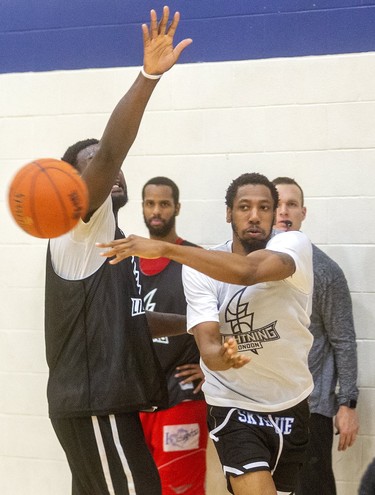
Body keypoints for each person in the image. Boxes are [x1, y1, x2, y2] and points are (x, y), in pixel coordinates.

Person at [44, 7, 192, 495]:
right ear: (76, 186)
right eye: (91, 169)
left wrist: (201, 330)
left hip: (100, 402)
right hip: (95, 403)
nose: (114, 174)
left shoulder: (105, 244)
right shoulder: (77, 224)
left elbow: (130, 321)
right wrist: (149, 76)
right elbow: (110, 152)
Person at [97, 172, 315, 495]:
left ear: (273, 213)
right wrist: (221, 359)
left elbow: (248, 272)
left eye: (264, 208)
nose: (254, 216)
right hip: (233, 405)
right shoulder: (200, 271)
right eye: (244, 207)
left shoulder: (294, 245)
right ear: (229, 213)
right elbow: (209, 347)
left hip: (291, 401)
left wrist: (165, 250)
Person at [272, 176, 359, 495]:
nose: (284, 212)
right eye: (277, 204)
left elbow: (344, 341)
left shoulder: (325, 271)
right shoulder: (247, 266)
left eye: (291, 204)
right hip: (263, 405)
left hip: (312, 408)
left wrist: (348, 403)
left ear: (303, 213)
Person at [139, 176, 208, 495]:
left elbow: (222, 320)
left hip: (181, 398)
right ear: (142, 207)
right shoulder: (127, 262)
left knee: (180, 489)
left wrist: (210, 371)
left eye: (164, 204)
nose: (156, 210)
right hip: (135, 399)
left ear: (177, 208)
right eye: (150, 203)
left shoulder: (195, 259)